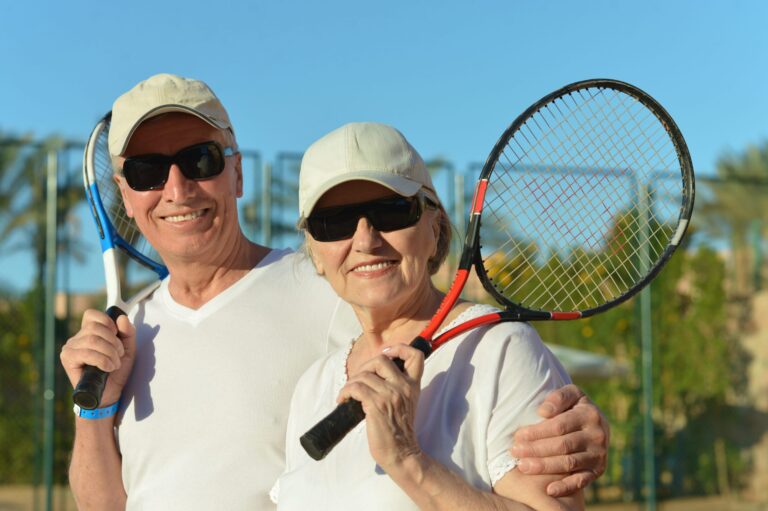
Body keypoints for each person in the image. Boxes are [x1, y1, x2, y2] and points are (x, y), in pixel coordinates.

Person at [60, 74, 608, 510]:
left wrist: (572, 424)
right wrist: (94, 415)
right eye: (149, 170)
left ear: (237, 174)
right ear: (125, 195)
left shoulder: (332, 288)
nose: (177, 188)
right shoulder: (127, 336)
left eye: (199, 161)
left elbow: (454, 347)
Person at [274, 122, 588, 510]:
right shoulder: (314, 384)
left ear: (434, 227)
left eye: (390, 212)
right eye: (333, 223)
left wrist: (408, 460)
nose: (366, 241)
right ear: (314, 251)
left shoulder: (501, 350)